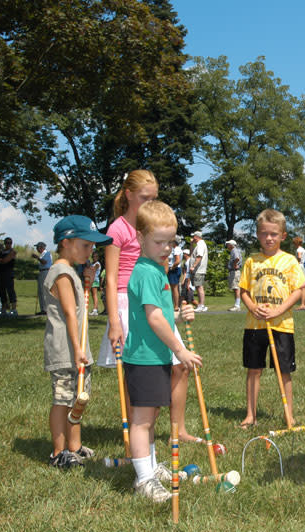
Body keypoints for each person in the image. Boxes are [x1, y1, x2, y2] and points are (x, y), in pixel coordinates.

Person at [96, 170, 198, 443]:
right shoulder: (117, 229)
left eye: (154, 197)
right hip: (127, 303)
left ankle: (178, 429)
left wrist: (172, 307)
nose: (151, 203)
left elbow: (163, 272)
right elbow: (112, 276)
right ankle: (137, 432)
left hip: (154, 301)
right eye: (145, 197)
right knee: (138, 369)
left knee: (179, 365)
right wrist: (115, 321)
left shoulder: (157, 231)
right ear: (128, 195)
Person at [123, 200, 201, 502]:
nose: (167, 248)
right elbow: (154, 318)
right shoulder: (145, 272)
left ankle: (151, 468)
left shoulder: (156, 269)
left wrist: (179, 317)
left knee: (150, 418)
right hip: (143, 357)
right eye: (159, 242)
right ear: (140, 238)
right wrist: (180, 349)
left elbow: (159, 315)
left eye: (171, 242)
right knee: (142, 420)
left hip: (154, 357)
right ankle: (144, 480)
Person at [44, 215, 112, 468]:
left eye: (93, 246)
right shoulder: (60, 272)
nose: (91, 251)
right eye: (86, 245)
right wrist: (77, 349)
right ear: (66, 242)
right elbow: (70, 313)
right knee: (63, 401)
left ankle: (75, 447)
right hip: (66, 350)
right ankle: (58, 452)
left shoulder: (70, 272)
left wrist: (86, 279)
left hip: (76, 349)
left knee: (77, 400)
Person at [238, 209, 305, 429]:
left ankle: (289, 415)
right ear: (257, 234)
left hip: (282, 325)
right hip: (255, 325)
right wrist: (252, 307)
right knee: (253, 369)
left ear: (283, 236)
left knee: (283, 370)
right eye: (264, 233)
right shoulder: (251, 262)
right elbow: (244, 291)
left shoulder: (290, 262)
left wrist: (278, 311)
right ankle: (250, 415)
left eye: (274, 234)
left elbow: (297, 291)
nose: (269, 238)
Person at [0, 237, 18, 317]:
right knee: (2, 291)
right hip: (0, 274)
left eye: (9, 243)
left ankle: (13, 309)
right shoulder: (2, 252)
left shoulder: (12, 251)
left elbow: (6, 260)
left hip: (8, 273)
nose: (8, 244)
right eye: (6, 242)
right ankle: (3, 309)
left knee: (10, 291)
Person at [190, 231, 208, 312]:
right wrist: (191, 244)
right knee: (198, 287)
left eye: (193, 236)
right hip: (198, 270)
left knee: (199, 287)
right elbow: (191, 254)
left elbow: (199, 256)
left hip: (199, 269)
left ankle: (201, 305)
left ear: (197, 237)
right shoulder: (198, 245)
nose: (192, 238)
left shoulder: (200, 245)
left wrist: (193, 266)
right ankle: (201, 305)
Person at [32, 242, 53, 315]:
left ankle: (46, 309)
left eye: (37, 247)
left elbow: (44, 262)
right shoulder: (42, 254)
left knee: (44, 290)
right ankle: (43, 309)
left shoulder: (46, 253)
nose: (37, 249)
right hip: (42, 272)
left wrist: (37, 258)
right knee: (40, 291)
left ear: (41, 247)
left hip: (46, 272)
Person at [292, 236, 305, 310]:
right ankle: (303, 304)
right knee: (302, 286)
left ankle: (302, 305)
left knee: (302, 286)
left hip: (299, 266)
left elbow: (299, 257)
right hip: (302, 266)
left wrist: (294, 261)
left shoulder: (299, 250)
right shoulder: (303, 249)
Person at [167, 238, 183, 311]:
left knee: (174, 288)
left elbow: (177, 261)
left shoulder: (176, 249)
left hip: (174, 270)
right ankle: (174, 305)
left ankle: (176, 306)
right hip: (174, 269)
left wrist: (171, 268)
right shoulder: (175, 249)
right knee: (173, 288)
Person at [226, 239, 242, 311]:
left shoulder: (234, 250)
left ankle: (237, 305)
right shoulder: (234, 250)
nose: (227, 245)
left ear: (231, 245)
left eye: (228, 244)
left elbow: (237, 258)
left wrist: (234, 264)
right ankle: (236, 305)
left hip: (235, 271)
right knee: (235, 288)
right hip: (234, 271)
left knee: (236, 288)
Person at [89, 250, 101, 316]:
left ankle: (95, 310)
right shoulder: (93, 263)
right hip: (92, 280)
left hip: (95, 280)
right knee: (93, 295)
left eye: (96, 256)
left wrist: (88, 265)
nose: (94, 258)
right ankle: (95, 308)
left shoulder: (97, 264)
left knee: (94, 295)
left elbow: (93, 270)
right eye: (93, 256)